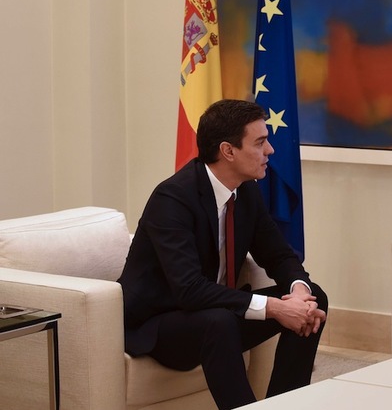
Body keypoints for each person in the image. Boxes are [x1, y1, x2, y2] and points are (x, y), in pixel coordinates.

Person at [118, 99, 327, 409]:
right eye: (260, 142)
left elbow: (280, 256)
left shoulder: (246, 190)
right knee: (219, 321)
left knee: (314, 299)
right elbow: (189, 290)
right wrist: (274, 308)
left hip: (216, 314)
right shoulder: (172, 199)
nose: (270, 150)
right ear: (228, 151)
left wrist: (298, 291)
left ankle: (284, 404)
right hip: (161, 325)